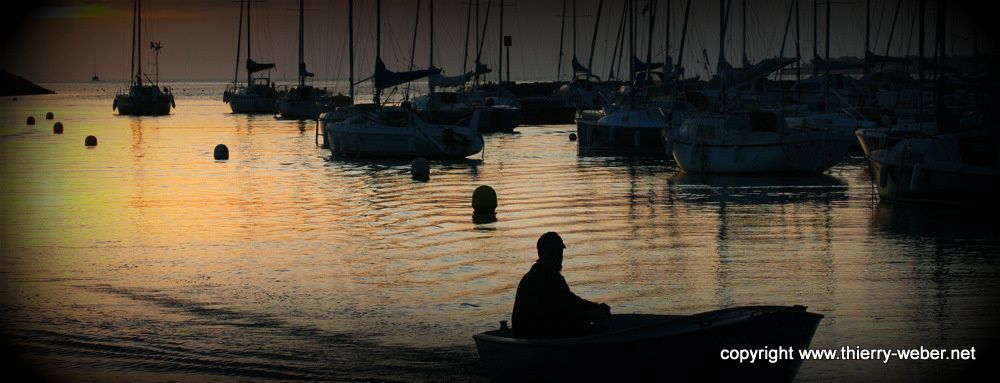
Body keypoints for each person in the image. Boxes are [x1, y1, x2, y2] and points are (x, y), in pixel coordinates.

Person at [511, 232, 611, 338]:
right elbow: (555, 314)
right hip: (535, 337)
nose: (559, 257)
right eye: (554, 253)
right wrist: (587, 316)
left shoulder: (553, 276)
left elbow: (570, 301)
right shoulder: (537, 280)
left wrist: (595, 306)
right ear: (543, 254)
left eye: (560, 252)